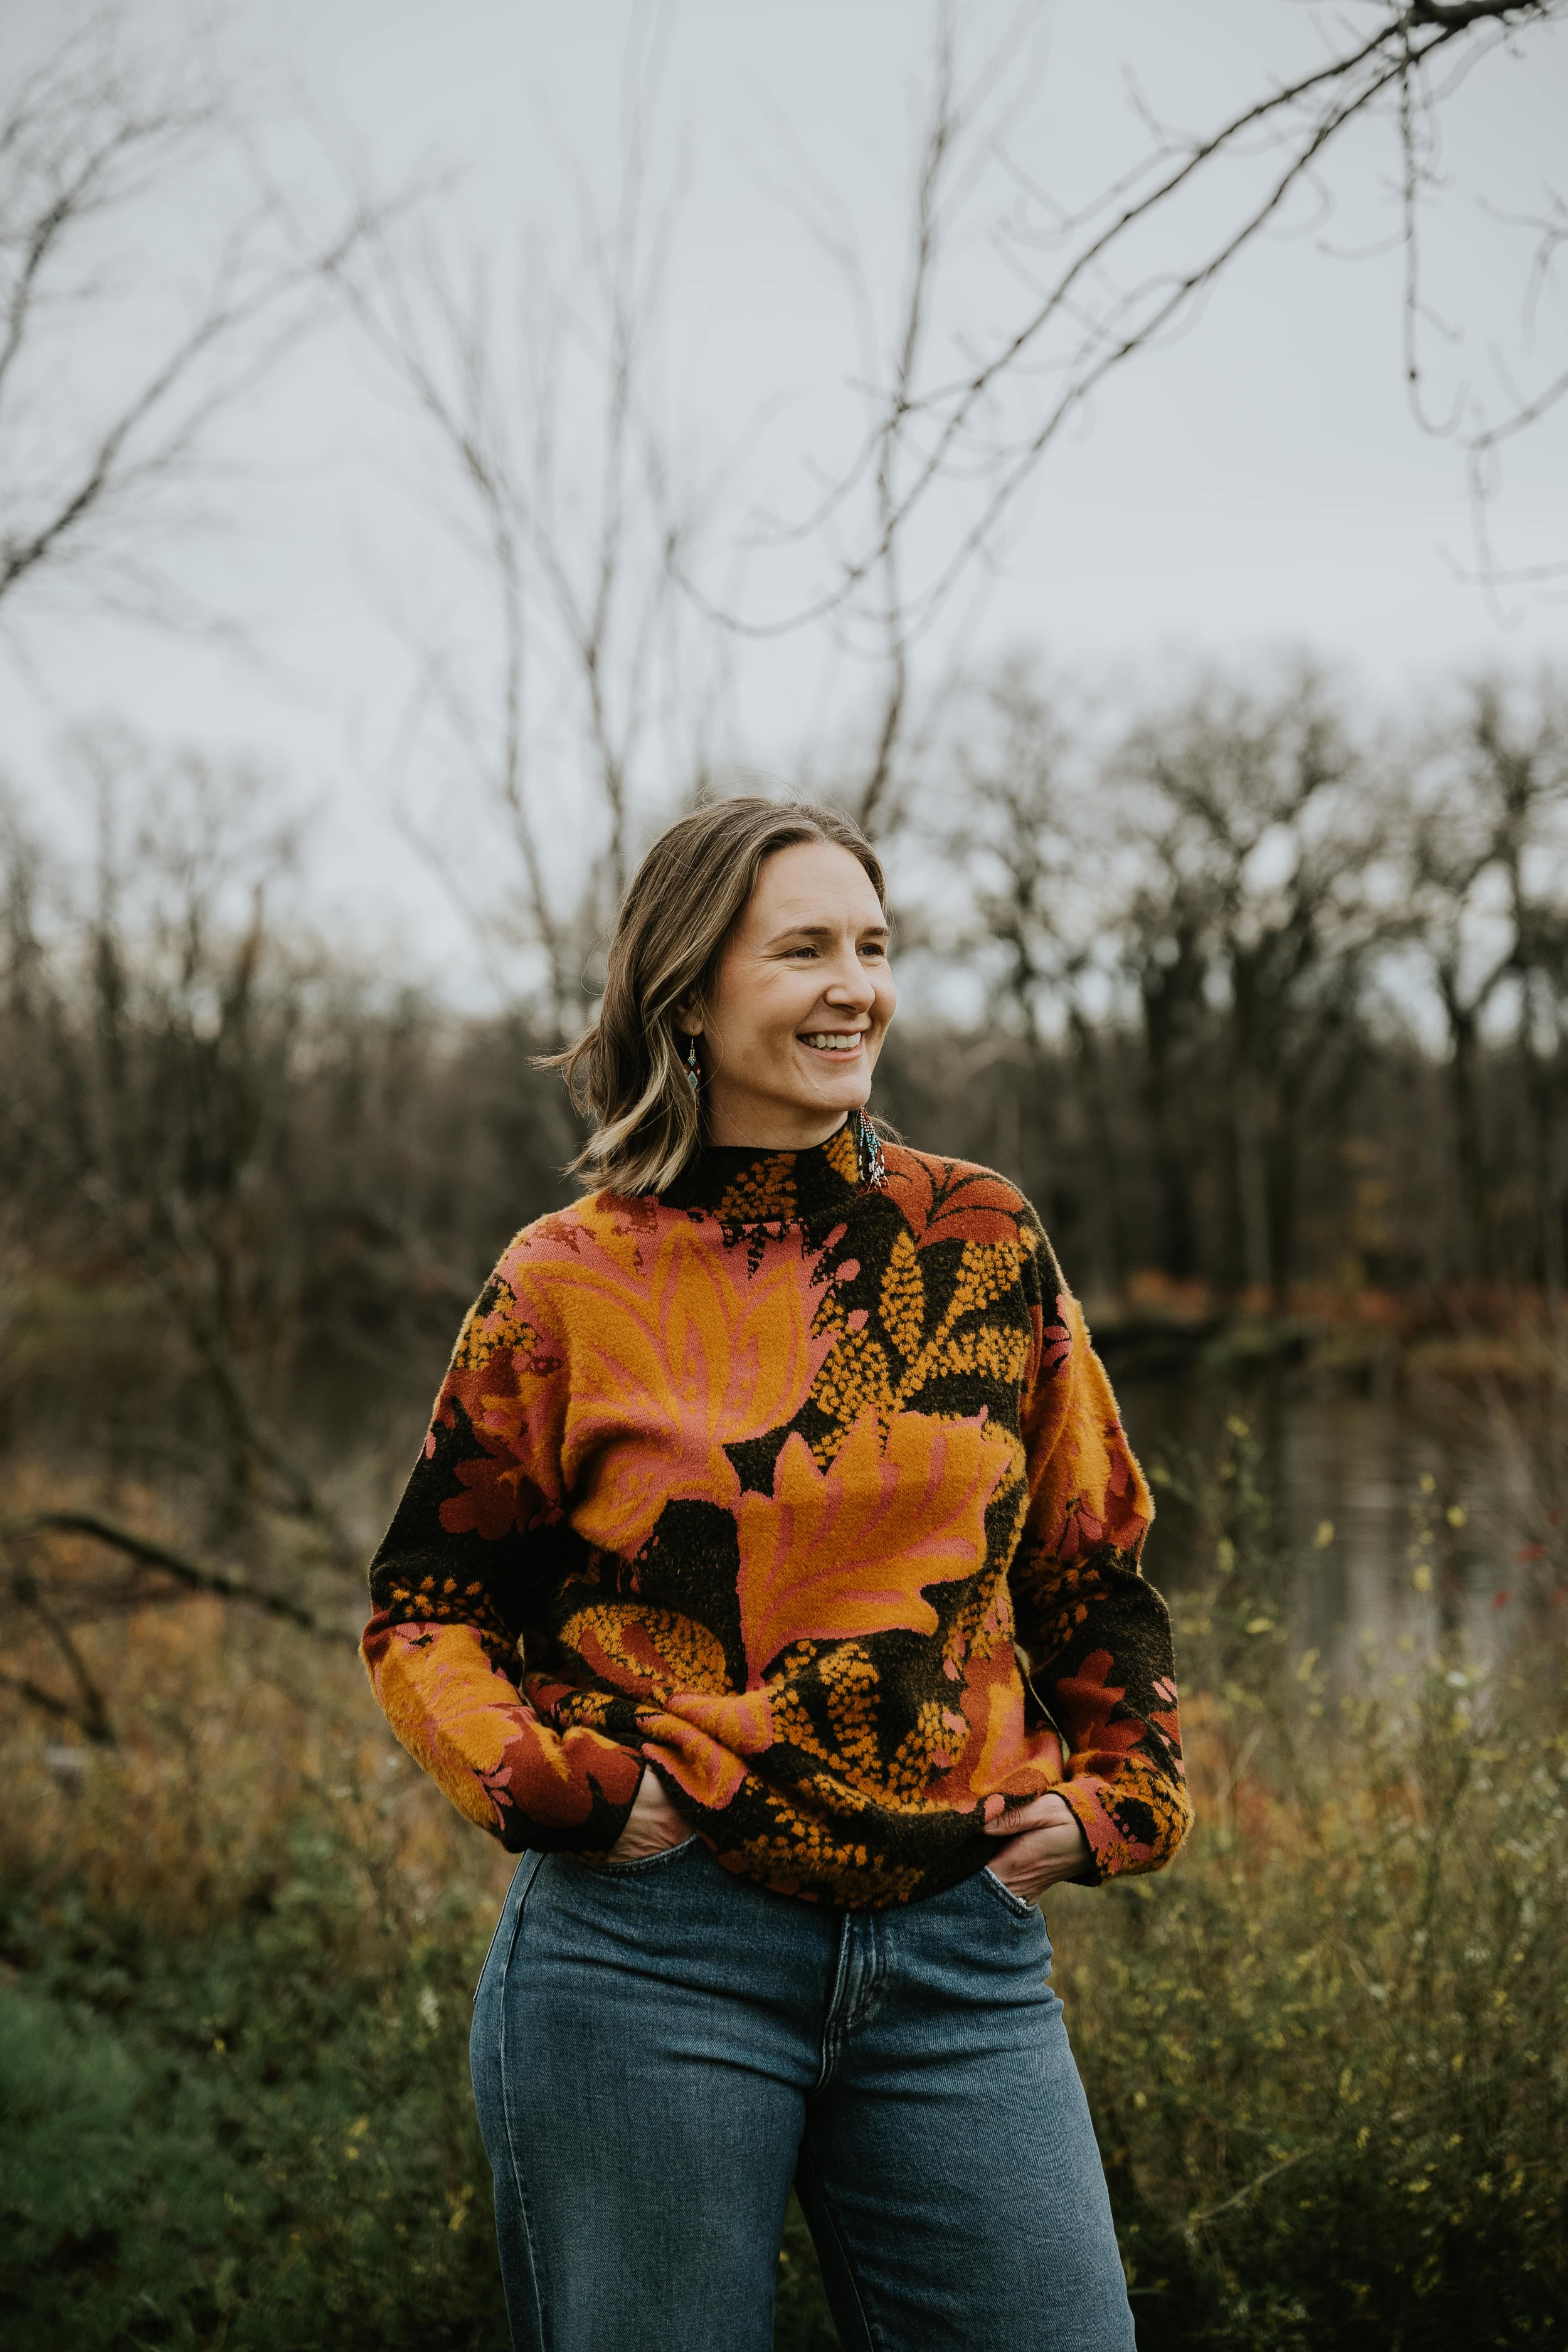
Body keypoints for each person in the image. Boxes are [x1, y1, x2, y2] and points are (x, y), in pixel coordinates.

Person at [361, 796, 1192, 2352]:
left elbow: (1090, 1557)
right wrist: (560, 1787)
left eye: (872, 948)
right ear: (686, 991)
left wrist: (1117, 1799)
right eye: (802, 949)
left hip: (958, 1954)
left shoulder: (984, 1237)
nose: (854, 987)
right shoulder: (565, 1281)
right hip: (647, 1959)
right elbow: (430, 1611)